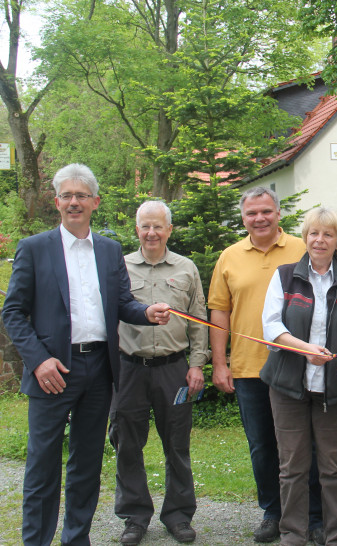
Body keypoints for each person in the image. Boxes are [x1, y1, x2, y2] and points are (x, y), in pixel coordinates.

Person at [1, 164, 170, 546]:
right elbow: (12, 312)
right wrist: (38, 360)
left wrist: (145, 312)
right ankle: (37, 541)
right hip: (52, 368)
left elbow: (122, 303)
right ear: (56, 201)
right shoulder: (34, 248)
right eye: (67, 195)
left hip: (99, 369)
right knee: (43, 465)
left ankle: (76, 538)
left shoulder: (109, 251)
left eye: (81, 195)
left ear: (95, 202)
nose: (74, 202)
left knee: (87, 462)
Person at [208, 186, 324, 544]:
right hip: (249, 369)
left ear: (278, 214)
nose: (259, 218)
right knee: (262, 446)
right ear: (243, 218)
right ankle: (273, 512)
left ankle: (315, 517)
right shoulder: (229, 257)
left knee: (308, 445)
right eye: (251, 213)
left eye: (266, 211)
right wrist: (219, 363)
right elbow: (219, 311)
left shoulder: (303, 249)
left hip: (298, 367)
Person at [261, 207, 337, 545]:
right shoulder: (285, 276)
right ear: (305, 237)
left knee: (334, 468)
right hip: (287, 387)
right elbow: (271, 327)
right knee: (292, 466)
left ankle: (336, 535)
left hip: (335, 389)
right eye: (313, 233)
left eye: (327, 234)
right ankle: (292, 534)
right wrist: (304, 348)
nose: (319, 240)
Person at [109, 201, 208, 545]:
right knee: (127, 445)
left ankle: (178, 515)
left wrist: (197, 365)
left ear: (169, 230)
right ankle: (134, 517)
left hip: (173, 370)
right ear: (136, 230)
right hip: (129, 370)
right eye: (145, 226)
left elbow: (199, 321)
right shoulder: (118, 268)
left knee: (177, 445)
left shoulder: (186, 268)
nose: (151, 233)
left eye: (158, 226)